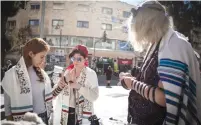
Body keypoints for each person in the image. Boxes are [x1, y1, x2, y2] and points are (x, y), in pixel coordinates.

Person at [121, 1, 201, 125]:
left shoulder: (173, 46)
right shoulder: (159, 43)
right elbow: (152, 81)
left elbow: (164, 98)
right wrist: (133, 79)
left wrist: (132, 83)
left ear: (147, 24)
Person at [1, 38, 53, 124]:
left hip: (43, 118)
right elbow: (7, 106)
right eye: (42, 57)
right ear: (31, 54)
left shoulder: (42, 73)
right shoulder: (11, 74)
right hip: (23, 120)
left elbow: (49, 97)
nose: (44, 60)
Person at [52, 45, 99, 125]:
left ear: (85, 59)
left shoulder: (91, 74)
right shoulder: (68, 72)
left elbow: (94, 96)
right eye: (73, 58)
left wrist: (78, 86)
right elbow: (54, 94)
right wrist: (64, 80)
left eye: (79, 59)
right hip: (66, 113)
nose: (76, 61)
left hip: (82, 115)